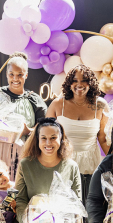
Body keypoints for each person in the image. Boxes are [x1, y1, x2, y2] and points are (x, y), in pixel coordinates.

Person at [0, 52, 47, 180]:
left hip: (21, 157)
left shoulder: (34, 100)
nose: (15, 79)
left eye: (20, 75)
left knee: (16, 193)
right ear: (7, 74)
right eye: (11, 74)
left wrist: (28, 131)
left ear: (26, 74)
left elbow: (44, 128)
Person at [46, 64, 109, 202]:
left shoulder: (100, 105)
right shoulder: (57, 104)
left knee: (88, 213)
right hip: (62, 165)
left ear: (91, 82)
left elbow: (103, 139)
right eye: (75, 80)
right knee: (64, 212)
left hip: (90, 167)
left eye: (84, 80)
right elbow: (45, 137)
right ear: (69, 83)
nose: (79, 84)